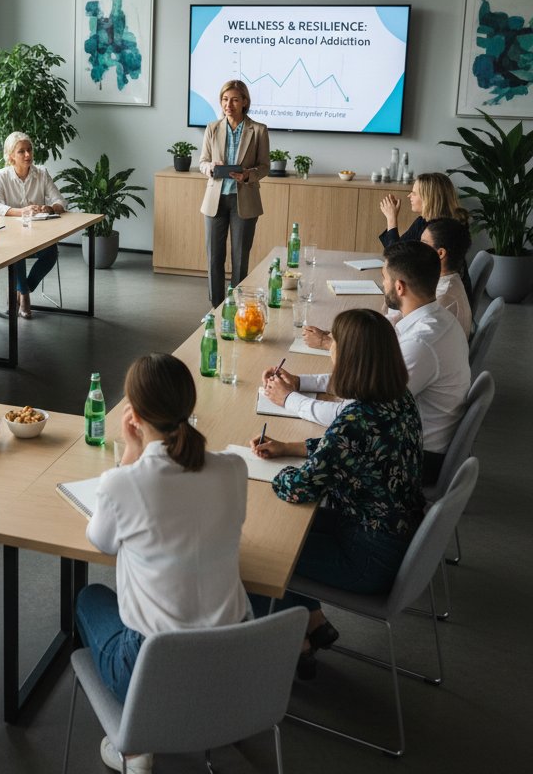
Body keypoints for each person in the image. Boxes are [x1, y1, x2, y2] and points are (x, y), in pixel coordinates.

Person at [76, 354, 250, 773]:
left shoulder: (122, 483)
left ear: (133, 416)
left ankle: (137, 746)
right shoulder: (234, 468)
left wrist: (130, 454)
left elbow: (102, 541)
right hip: (233, 662)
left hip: (151, 670)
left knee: (89, 598)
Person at [250, 309, 425, 679]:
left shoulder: (354, 421)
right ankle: (313, 621)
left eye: (334, 346)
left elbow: (298, 488)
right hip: (387, 533)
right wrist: (290, 448)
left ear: (351, 359)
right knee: (281, 534)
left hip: (366, 558)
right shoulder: (399, 398)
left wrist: (270, 473)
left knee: (257, 554)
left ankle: (293, 647)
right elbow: (350, 448)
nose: (330, 352)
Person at [273, 241, 470, 486]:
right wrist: (300, 382)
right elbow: (365, 381)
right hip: (406, 442)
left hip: (414, 459)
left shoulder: (420, 344)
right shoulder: (437, 320)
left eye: (384, 278)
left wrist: (288, 399)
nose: (382, 284)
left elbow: (351, 415)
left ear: (399, 287)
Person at [197, 80, 270, 307]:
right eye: (225, 99)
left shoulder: (259, 130)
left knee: (240, 259)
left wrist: (248, 174)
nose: (228, 105)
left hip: (243, 201)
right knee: (214, 258)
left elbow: (264, 166)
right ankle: (216, 308)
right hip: (215, 201)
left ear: (245, 102)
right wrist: (210, 167)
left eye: (235, 100)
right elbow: (202, 162)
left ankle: (237, 307)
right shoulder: (212, 128)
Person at [0, 131, 67, 319]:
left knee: (51, 253)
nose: (28, 155)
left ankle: (23, 289)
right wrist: (21, 211)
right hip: (10, 238)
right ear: (11, 156)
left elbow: (61, 201)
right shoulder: (1, 176)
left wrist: (50, 208)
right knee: (18, 253)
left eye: (29, 150)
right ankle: (24, 295)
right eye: (21, 151)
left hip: (38, 235)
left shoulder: (42, 173)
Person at [378, 171, 473, 302]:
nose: (409, 196)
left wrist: (391, 219)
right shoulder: (422, 221)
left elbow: (397, 260)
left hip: (444, 299)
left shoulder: (441, 232)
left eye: (414, 193)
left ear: (428, 198)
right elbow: (399, 250)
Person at [384, 218, 473, 337]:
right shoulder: (445, 280)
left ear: (440, 253)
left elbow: (404, 333)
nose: (418, 247)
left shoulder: (443, 295)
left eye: (424, 243)